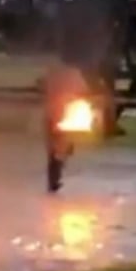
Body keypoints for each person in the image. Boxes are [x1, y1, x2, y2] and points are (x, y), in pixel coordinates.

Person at [41, 60, 90, 193]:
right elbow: (83, 91)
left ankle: (54, 179)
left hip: (54, 116)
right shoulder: (73, 73)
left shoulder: (53, 74)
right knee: (59, 149)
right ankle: (54, 178)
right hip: (61, 117)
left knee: (54, 149)